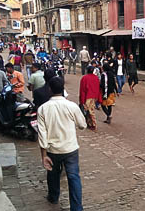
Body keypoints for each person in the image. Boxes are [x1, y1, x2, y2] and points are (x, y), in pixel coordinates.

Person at [37, 77, 87, 210]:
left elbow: (42, 135)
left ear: (50, 89)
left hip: (53, 150)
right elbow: (82, 125)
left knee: (53, 175)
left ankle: (53, 197)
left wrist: (43, 155)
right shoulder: (72, 106)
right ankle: (76, 208)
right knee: (73, 177)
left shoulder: (43, 109)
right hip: (70, 148)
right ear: (63, 88)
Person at [79, 65, 102, 131]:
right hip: (94, 96)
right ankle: (90, 123)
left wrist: (82, 100)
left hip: (88, 97)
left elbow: (82, 90)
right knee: (89, 110)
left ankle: (93, 124)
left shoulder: (84, 78)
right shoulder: (96, 78)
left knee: (90, 111)